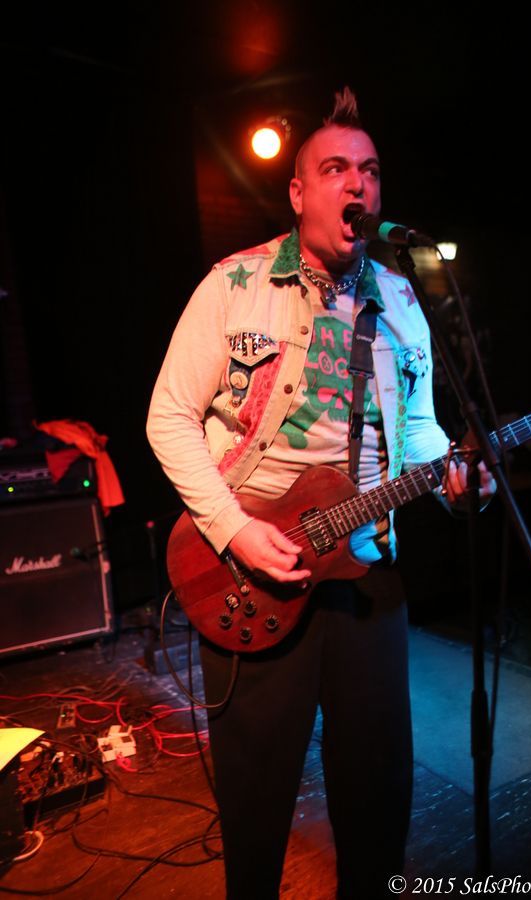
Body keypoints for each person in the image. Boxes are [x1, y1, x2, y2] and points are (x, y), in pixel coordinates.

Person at [147, 88, 496, 899]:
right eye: (336, 168)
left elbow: (418, 431)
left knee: (379, 794)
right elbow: (168, 417)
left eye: (369, 170)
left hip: (369, 568)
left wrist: (458, 478)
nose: (357, 183)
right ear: (299, 192)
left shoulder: (401, 300)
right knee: (258, 801)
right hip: (254, 570)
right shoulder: (234, 286)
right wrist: (235, 530)